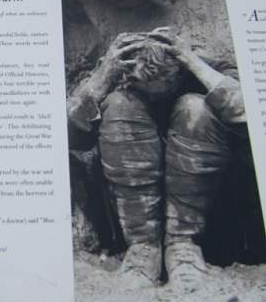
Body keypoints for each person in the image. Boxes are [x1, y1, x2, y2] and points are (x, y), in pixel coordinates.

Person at [67, 27, 249, 293]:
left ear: (180, 74)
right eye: (145, 93)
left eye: (162, 93)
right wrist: (102, 78)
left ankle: (184, 249)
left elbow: (252, 116)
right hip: (131, 215)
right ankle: (143, 250)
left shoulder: (199, 66)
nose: (153, 101)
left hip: (206, 211)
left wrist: (195, 64)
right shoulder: (119, 72)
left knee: (194, 108)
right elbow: (68, 136)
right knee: (120, 103)